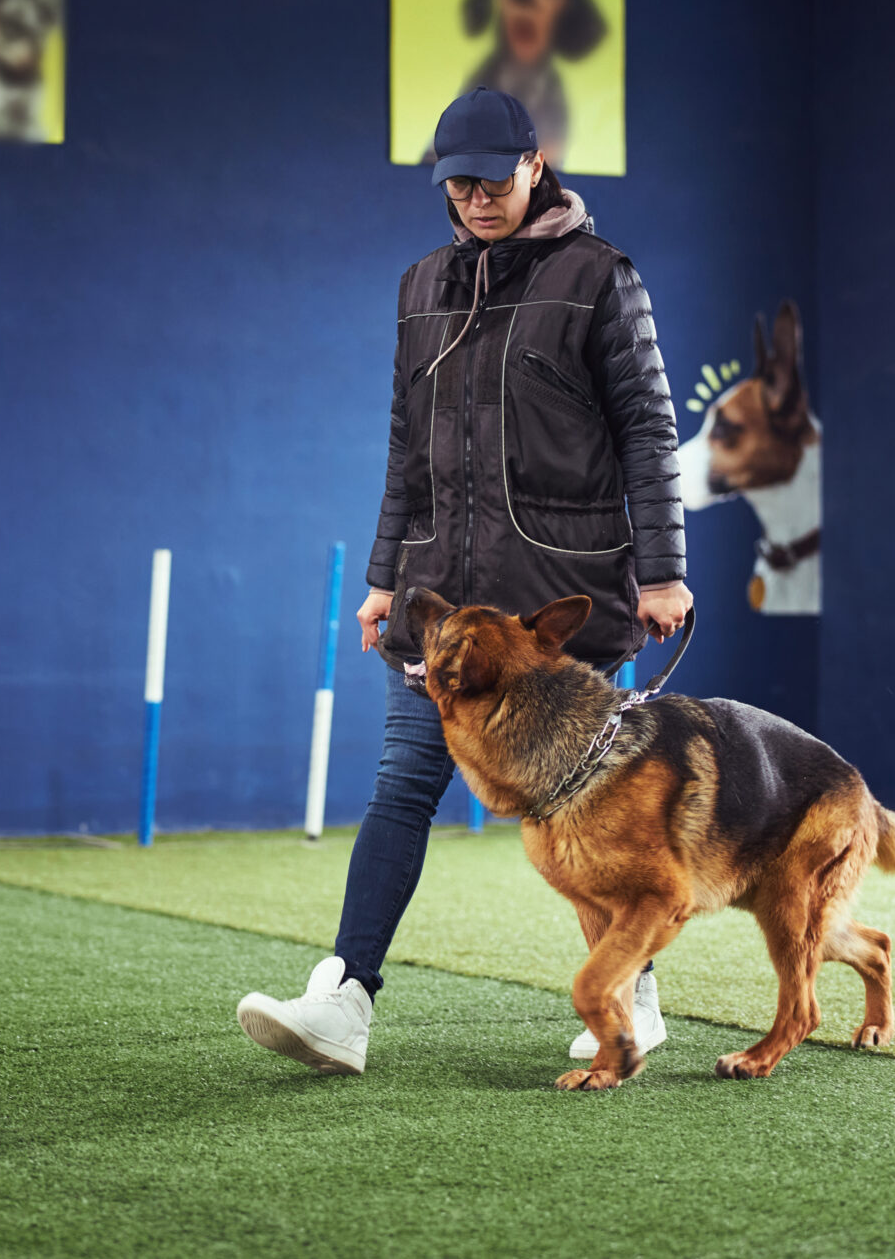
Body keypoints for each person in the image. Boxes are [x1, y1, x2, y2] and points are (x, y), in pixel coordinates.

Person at [236, 88, 692, 1075]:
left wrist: (661, 569)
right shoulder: (420, 285)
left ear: (535, 165)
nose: (476, 196)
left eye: (493, 177)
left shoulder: (601, 279)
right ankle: (344, 998)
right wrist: (380, 581)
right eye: (458, 181)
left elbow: (649, 432)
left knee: (585, 813)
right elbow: (407, 448)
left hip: (557, 609)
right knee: (402, 784)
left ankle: (630, 994)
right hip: (440, 603)